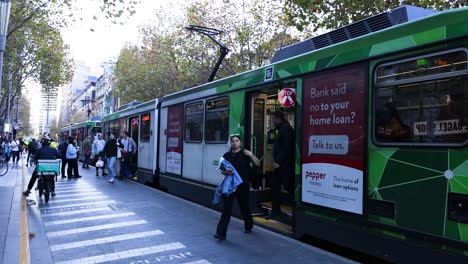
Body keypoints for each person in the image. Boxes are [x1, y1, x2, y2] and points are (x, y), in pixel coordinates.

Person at [215, 135, 260, 240]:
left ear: (240, 142)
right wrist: (226, 172)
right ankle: (221, 233)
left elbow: (257, 163)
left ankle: (249, 225)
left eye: (237, 141)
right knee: (226, 209)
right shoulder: (226, 155)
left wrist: (251, 154)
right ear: (230, 143)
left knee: (244, 207)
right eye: (233, 141)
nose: (235, 143)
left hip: (243, 185)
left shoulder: (245, 154)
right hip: (230, 186)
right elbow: (222, 170)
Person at [268, 111, 294, 220]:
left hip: (283, 164)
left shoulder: (285, 128)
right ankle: (275, 211)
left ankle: (294, 212)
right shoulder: (282, 128)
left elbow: (287, 147)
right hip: (280, 164)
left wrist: (277, 161)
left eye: (273, 119)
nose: (272, 122)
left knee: (288, 186)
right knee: (275, 186)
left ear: (278, 118)